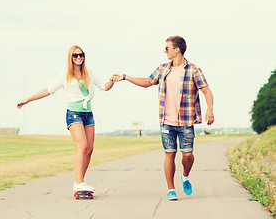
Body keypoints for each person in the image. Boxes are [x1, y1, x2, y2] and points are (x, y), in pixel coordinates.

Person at [113, 36, 214, 200]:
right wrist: (125, 77)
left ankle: (185, 176)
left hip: (186, 121)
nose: (164, 51)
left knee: (187, 155)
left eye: (167, 48)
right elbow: (147, 82)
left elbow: (206, 91)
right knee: (170, 154)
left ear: (177, 50)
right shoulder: (163, 69)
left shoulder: (193, 70)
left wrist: (210, 108)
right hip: (166, 121)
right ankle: (171, 189)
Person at [17, 45, 115, 194]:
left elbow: (104, 86)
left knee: (89, 149)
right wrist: (28, 99)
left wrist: (112, 80)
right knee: (82, 146)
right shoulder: (65, 75)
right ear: (70, 58)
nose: (78, 58)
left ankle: (80, 181)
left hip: (88, 114)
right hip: (74, 113)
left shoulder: (89, 73)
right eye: (75, 56)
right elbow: (48, 90)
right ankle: (79, 182)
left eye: (81, 55)